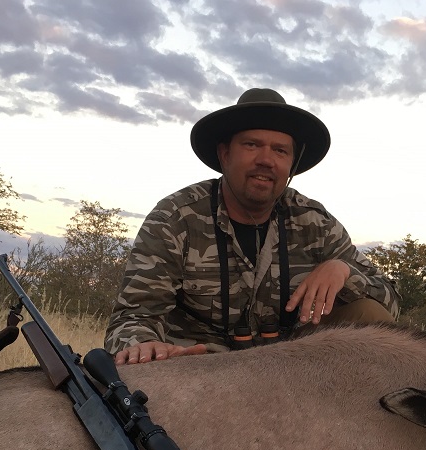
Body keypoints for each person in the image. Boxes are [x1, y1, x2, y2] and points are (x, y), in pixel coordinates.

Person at [105, 88, 400, 364]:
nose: (266, 160)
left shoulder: (316, 222)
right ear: (225, 154)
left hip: (293, 366)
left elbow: (390, 304)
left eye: (280, 151)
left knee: (367, 313)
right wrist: (144, 346)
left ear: (291, 165)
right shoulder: (175, 217)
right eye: (251, 145)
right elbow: (133, 317)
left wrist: (343, 271)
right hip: (199, 367)